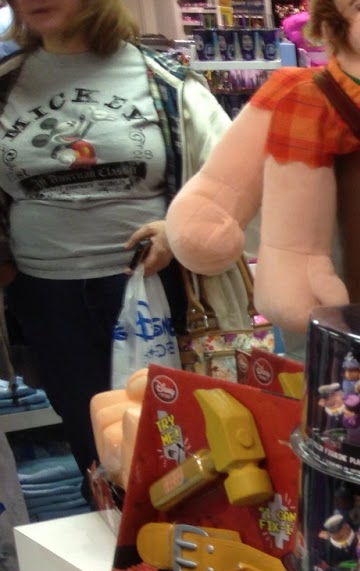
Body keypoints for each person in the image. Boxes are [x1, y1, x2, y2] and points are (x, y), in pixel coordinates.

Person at [0, 0, 244, 484]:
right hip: (47, 298)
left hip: (156, 291)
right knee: (93, 446)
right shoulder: (6, 84)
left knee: (178, 439)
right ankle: (114, 531)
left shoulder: (164, 81)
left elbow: (235, 183)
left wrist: (179, 231)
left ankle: (181, 530)